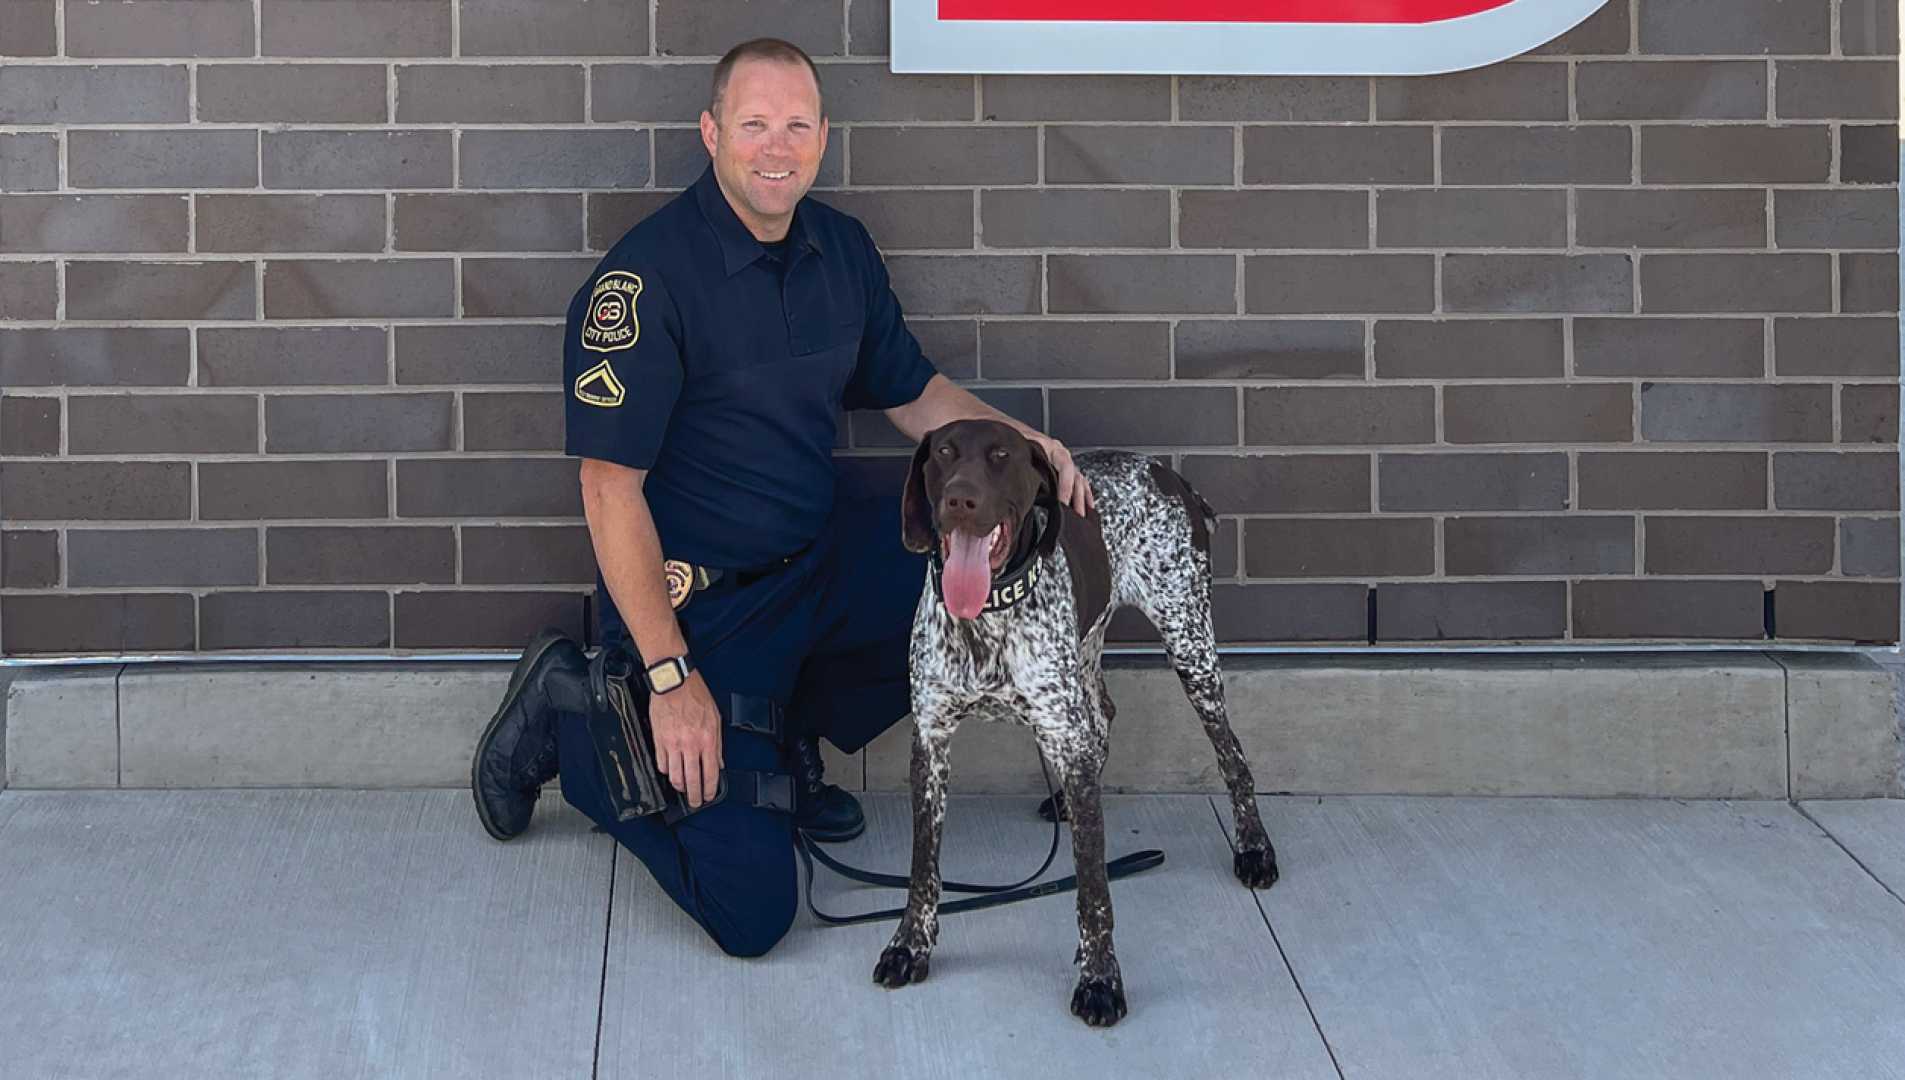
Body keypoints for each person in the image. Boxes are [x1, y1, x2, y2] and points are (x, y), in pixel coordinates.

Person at [471, 37, 1094, 959]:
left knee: (959, 588)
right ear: (711, 132)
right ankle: (572, 721)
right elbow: (608, 493)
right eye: (754, 124)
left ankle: (784, 735)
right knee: (753, 914)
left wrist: (1026, 444)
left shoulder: (838, 249)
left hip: (815, 557)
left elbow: (914, 396)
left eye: (796, 125)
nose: (776, 146)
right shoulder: (645, 283)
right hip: (705, 610)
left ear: (822, 137)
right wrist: (671, 680)